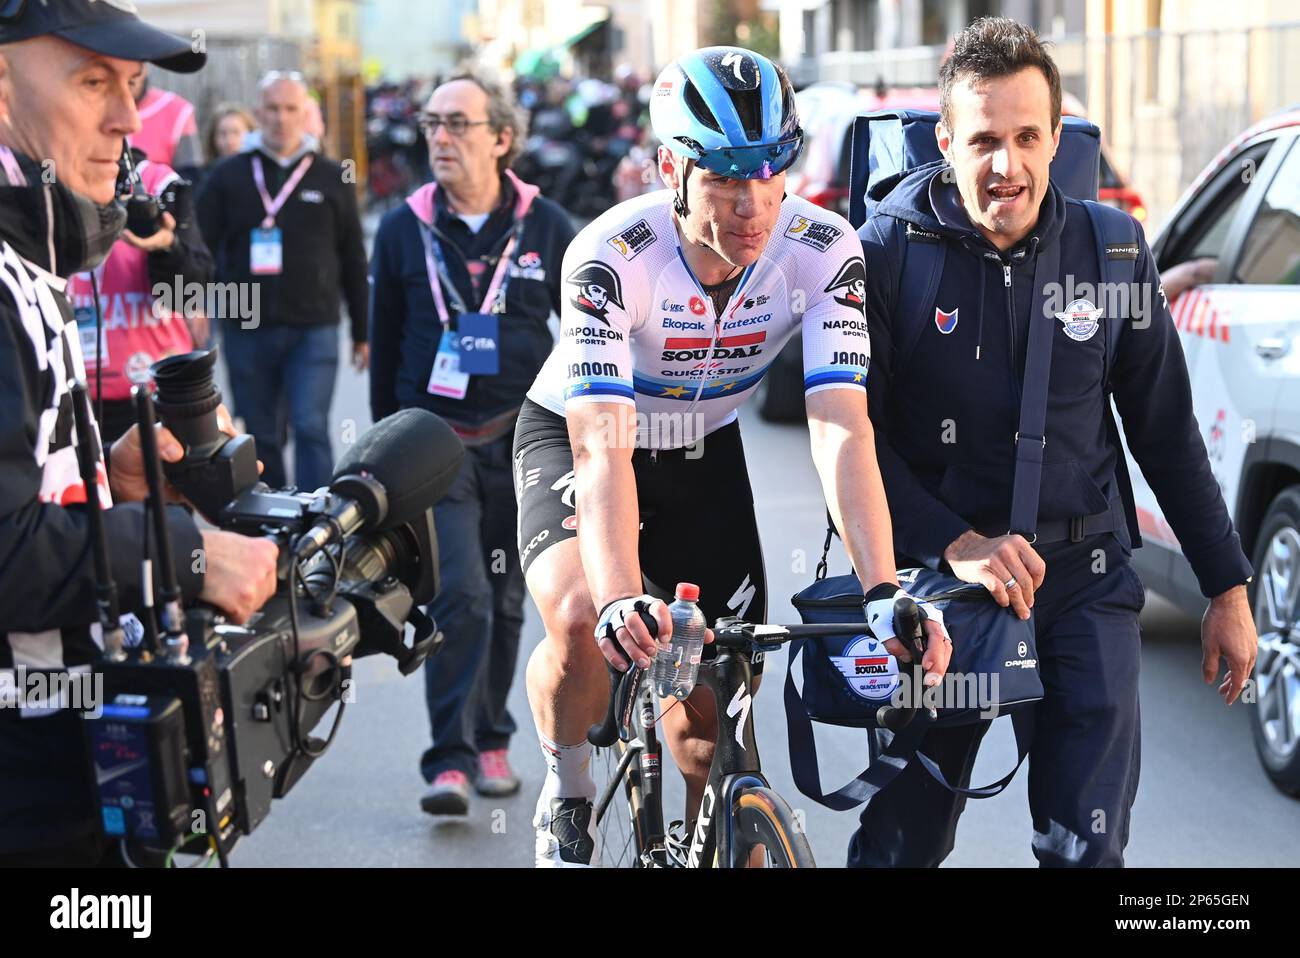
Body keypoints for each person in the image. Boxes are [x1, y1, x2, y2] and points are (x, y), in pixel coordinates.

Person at [514, 46, 953, 866]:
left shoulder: (824, 249)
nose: (752, 205)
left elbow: (840, 424)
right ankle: (566, 781)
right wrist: (618, 599)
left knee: (711, 718)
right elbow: (601, 446)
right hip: (585, 438)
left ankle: (713, 834)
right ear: (669, 168)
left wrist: (883, 587)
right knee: (580, 623)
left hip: (698, 445)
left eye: (769, 172)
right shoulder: (611, 258)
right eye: (722, 178)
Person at [855, 17, 1257, 867]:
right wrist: (954, 544)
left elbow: (1164, 427)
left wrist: (1226, 584)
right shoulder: (887, 252)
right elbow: (852, 445)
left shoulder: (1112, 250)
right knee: (902, 845)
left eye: (1029, 136)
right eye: (986, 140)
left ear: (1057, 132)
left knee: (1085, 850)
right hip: (939, 593)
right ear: (945, 141)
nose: (1009, 166)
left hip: (1083, 584)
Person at [0, 0, 278, 867]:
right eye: (93, 83)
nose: (128, 119)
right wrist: (186, 553)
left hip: (69, 732)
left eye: (132, 86)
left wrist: (106, 475)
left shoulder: (37, 245)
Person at [370, 74, 576, 816]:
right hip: (436, 447)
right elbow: (386, 343)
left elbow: (587, 339)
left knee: (510, 598)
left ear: (501, 138)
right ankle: (448, 758)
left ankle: (492, 736)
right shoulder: (402, 228)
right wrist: (382, 465)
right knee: (462, 593)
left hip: (524, 439)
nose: (439, 138)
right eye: (431, 124)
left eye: (457, 123)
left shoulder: (548, 225)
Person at [197, 71, 370, 492]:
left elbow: (352, 254)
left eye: (291, 108)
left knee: (311, 426)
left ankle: (317, 520)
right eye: (272, 109)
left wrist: (361, 332)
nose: (281, 118)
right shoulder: (228, 175)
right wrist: (197, 305)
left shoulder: (332, 176)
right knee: (260, 432)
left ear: (305, 113)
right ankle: (271, 524)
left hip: (315, 326)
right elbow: (198, 248)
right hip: (246, 325)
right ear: (258, 113)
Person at [68, 144, 214, 443]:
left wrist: (167, 247)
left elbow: (192, 294)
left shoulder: (160, 182)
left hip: (154, 385)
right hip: (68, 394)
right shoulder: (41, 177)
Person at [129, 64, 204, 183]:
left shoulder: (177, 110)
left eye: (130, 81)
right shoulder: (94, 107)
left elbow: (189, 175)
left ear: (144, 69)